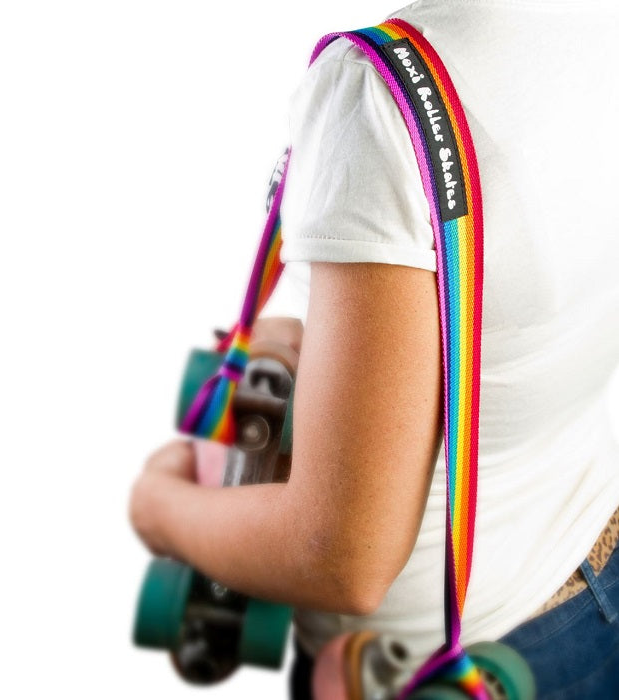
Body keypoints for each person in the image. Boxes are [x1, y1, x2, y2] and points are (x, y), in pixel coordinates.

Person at [129, 0, 619, 697]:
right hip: (593, 572)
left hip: (444, 657)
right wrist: (342, 346)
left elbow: (340, 558)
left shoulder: (379, 94)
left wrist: (159, 509)